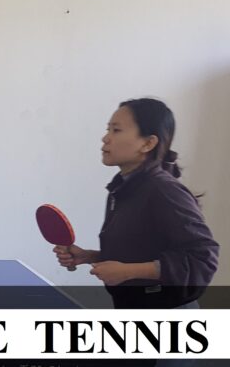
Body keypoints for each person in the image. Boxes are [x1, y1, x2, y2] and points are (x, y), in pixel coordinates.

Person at [53, 98, 218, 365]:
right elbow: (141, 248)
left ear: (148, 143)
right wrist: (90, 256)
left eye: (116, 130)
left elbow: (203, 258)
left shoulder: (163, 190)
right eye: (108, 129)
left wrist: (127, 271)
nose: (106, 138)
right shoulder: (123, 188)